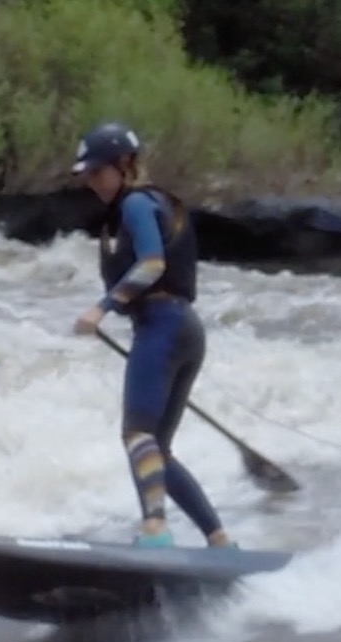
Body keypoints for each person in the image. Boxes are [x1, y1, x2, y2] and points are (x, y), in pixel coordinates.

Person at [69, 121, 236, 549]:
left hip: (163, 327)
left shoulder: (137, 205)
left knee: (137, 435)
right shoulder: (151, 204)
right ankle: (219, 541)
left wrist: (101, 308)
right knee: (157, 451)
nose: (91, 182)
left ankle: (156, 531)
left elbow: (152, 264)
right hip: (184, 330)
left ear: (124, 165)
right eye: (87, 174)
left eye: (98, 172)